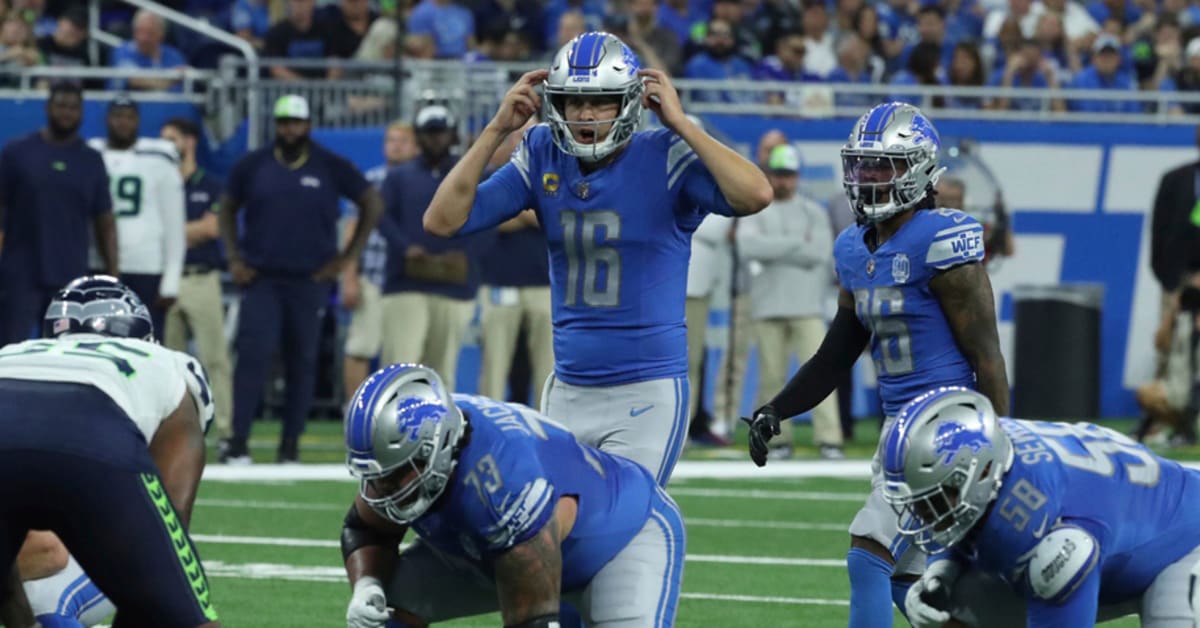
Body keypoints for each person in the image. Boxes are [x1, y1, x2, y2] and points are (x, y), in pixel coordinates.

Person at [422, 32, 771, 486]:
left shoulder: (666, 154)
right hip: (568, 385)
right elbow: (442, 220)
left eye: (602, 101)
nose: (585, 114)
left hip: (647, 388)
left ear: (630, 101)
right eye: (573, 101)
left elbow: (757, 194)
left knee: (617, 527)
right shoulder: (541, 151)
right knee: (556, 535)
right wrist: (495, 131)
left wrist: (683, 124)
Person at [741, 102, 1009, 627]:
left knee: (868, 550)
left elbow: (987, 354)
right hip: (898, 428)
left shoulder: (942, 240)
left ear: (919, 169)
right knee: (908, 578)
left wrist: (1003, 440)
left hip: (945, 424)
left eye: (882, 167)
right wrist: (778, 409)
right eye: (862, 166)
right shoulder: (852, 247)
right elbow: (837, 351)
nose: (868, 179)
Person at [340, 363, 684, 628]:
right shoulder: (422, 442)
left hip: (620, 540)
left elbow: (533, 622)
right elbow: (366, 529)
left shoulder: (502, 482)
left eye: (396, 474)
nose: (384, 490)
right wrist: (367, 584)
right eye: (377, 476)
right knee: (384, 610)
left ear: (439, 446)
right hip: (500, 549)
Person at [882, 386, 1200, 627]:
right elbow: (970, 518)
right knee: (950, 602)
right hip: (1121, 526)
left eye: (933, 499)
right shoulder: (992, 449)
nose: (922, 513)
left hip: (1185, 542)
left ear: (979, 474)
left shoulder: (1042, 526)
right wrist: (944, 568)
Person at [0, 275, 217, 627]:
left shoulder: (12, 353)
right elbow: (168, 533)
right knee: (190, 616)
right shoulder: (167, 363)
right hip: (94, 446)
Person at [219, 94, 383, 464]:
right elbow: (227, 207)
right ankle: (238, 442)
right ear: (276, 124)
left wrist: (346, 259)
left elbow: (372, 202)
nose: (289, 129)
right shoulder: (255, 164)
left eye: (296, 122)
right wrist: (233, 258)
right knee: (252, 359)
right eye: (283, 122)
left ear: (308, 124)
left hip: (309, 281)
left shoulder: (328, 165)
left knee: (302, 362)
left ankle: (289, 445)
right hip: (261, 278)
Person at [737, 144, 843, 460]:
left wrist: (774, 250)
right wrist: (797, 245)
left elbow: (821, 253)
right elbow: (748, 248)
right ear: (769, 175)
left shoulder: (813, 211)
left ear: (797, 177)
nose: (783, 181)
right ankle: (778, 441)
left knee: (820, 376)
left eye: (789, 175)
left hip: (807, 306)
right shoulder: (756, 208)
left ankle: (830, 440)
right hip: (767, 305)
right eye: (778, 174)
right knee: (771, 377)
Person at [377, 104, 492, 392]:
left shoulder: (471, 173)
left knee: (443, 371)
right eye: (429, 133)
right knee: (400, 368)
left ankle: (441, 434)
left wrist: (466, 254)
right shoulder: (399, 176)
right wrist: (405, 248)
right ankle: (393, 430)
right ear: (418, 136)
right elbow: (380, 216)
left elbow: (490, 218)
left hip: (454, 284)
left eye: (440, 132)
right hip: (407, 283)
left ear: (452, 134)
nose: (435, 139)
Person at [0, 81, 117, 346]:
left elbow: (104, 220)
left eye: (74, 108)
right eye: (61, 105)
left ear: (82, 112)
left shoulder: (91, 159)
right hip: (20, 273)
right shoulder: (17, 152)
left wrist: (112, 274)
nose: (67, 113)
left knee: (66, 352)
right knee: (9, 349)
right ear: (48, 107)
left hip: (70, 275)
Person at [160, 116, 236, 456]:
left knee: (215, 357)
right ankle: (169, 432)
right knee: (166, 364)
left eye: (172, 138)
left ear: (189, 142)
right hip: (168, 279)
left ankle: (225, 433)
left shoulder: (212, 184)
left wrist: (170, 232)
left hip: (202, 278)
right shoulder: (159, 182)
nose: (166, 145)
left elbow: (211, 229)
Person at [88, 96, 186, 340]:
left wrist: (171, 277)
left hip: (146, 267)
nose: (123, 123)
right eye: (118, 116)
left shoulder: (159, 158)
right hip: (97, 264)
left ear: (138, 122)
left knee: (145, 343)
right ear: (107, 120)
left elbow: (174, 223)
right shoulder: (89, 154)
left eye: (129, 117)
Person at [341, 121, 417, 406]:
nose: (395, 146)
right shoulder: (370, 180)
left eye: (402, 141)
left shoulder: (421, 180)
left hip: (408, 281)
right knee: (360, 346)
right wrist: (349, 276)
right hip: (372, 277)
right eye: (391, 140)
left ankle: (395, 414)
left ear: (415, 146)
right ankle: (354, 410)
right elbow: (351, 231)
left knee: (401, 355)